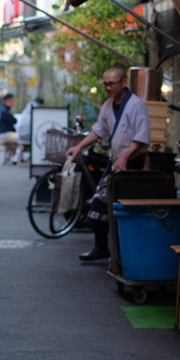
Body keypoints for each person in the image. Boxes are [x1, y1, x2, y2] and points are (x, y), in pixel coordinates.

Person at [65, 67, 150, 262]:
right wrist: (78, 147)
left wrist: (126, 156)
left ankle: (124, 252)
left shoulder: (137, 105)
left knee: (124, 209)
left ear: (123, 83)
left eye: (112, 83)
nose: (108, 87)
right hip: (116, 161)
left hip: (132, 163)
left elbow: (142, 137)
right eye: (105, 84)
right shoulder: (107, 105)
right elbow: (98, 131)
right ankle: (101, 247)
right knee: (98, 204)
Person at [0, 93, 20, 164]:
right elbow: (13, 120)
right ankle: (16, 158)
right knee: (21, 139)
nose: (13, 103)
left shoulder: (3, 109)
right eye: (12, 101)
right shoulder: (3, 111)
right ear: (8, 100)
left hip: (4, 134)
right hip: (3, 135)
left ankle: (14, 154)